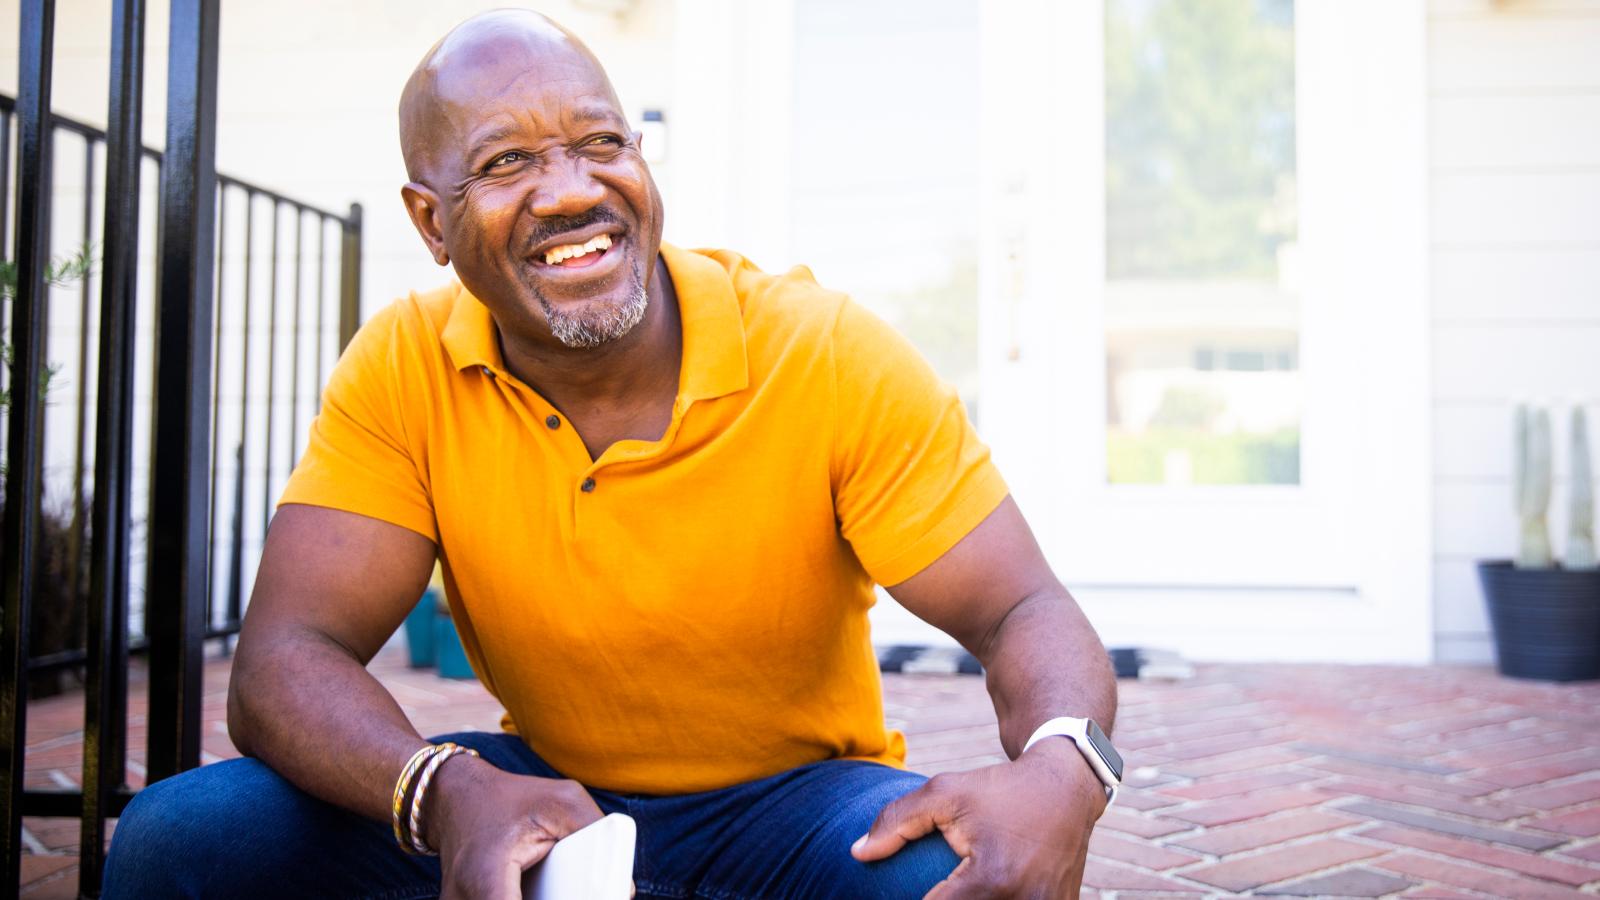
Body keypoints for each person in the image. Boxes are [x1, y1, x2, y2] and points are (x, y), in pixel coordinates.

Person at [104, 9, 1118, 899]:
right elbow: (284, 660)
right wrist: (446, 792)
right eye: (506, 164)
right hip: (542, 798)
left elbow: (1017, 605)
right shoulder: (404, 365)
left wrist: (1064, 766)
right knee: (177, 839)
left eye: (600, 144)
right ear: (430, 222)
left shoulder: (821, 349)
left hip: (800, 810)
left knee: (953, 879)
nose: (569, 192)